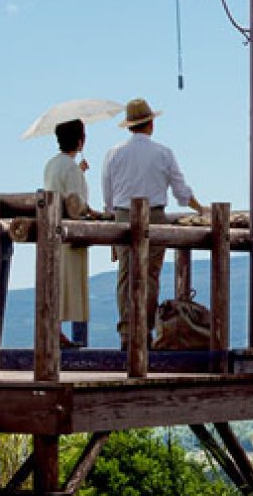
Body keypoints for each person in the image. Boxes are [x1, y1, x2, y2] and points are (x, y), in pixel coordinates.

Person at [102, 98, 205, 350]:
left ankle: (127, 333)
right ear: (150, 124)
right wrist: (201, 208)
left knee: (126, 276)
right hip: (155, 217)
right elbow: (182, 192)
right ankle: (145, 331)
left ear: (129, 126)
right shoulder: (163, 153)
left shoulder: (113, 153)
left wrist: (111, 217)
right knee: (150, 276)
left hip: (123, 217)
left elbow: (108, 195)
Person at [43, 118, 97, 348]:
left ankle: (56, 333)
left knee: (57, 281)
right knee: (69, 285)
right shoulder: (71, 168)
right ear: (80, 140)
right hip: (69, 230)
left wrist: (79, 171)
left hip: (51, 227)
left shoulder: (52, 164)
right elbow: (77, 202)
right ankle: (61, 335)